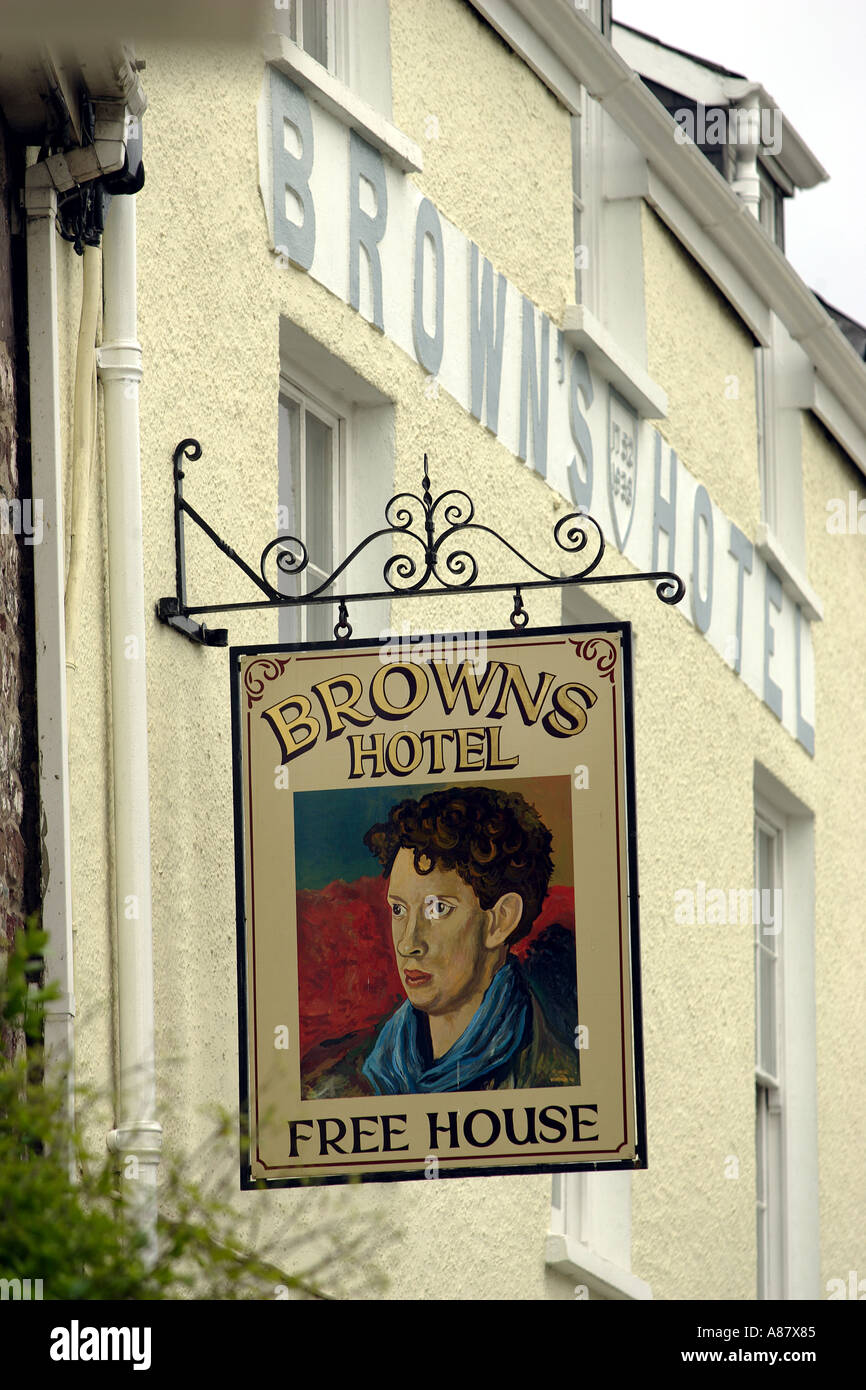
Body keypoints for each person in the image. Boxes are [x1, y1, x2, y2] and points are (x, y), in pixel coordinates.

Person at [307, 785, 580, 1097]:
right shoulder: (338, 1080)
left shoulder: (555, 1083)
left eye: (437, 909)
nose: (407, 944)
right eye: (399, 909)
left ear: (501, 920)